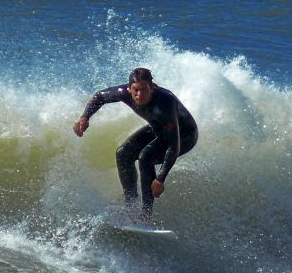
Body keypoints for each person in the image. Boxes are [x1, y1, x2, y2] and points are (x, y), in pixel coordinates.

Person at [73, 68, 198, 221]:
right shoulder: (123, 93)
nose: (139, 95)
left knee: (146, 157)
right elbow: (99, 97)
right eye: (136, 90)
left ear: (152, 88)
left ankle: (146, 214)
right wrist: (85, 117)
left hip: (185, 135)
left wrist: (160, 179)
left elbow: (173, 144)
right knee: (123, 153)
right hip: (159, 128)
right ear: (129, 89)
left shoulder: (164, 103)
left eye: (144, 90)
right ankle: (131, 206)